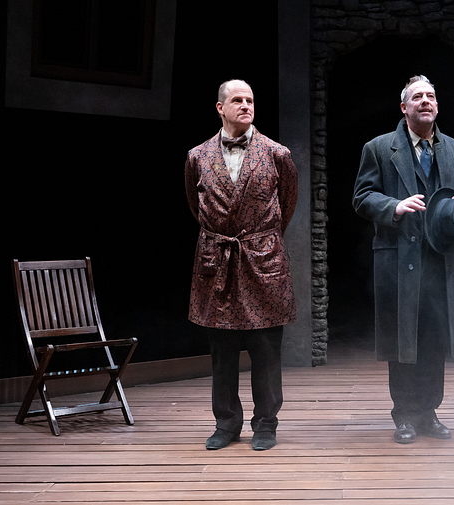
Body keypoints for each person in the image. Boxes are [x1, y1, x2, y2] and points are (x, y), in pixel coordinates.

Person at [353, 75, 454, 444]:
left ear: (437, 106)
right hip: (400, 258)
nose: (426, 101)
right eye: (417, 97)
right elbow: (361, 197)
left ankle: (429, 412)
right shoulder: (379, 148)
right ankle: (404, 415)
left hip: (442, 258)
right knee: (403, 339)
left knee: (434, 338)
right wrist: (394, 206)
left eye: (431, 96)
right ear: (404, 107)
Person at [184, 79, 298, 451]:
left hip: (262, 258)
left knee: (265, 348)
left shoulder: (277, 153)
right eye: (237, 100)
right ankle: (227, 423)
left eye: (250, 99)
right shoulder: (197, 156)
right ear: (220, 107)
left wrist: (261, 240)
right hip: (217, 261)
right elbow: (193, 203)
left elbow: (288, 204)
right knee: (223, 348)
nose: (246, 105)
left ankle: (266, 423)